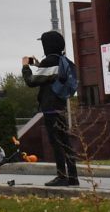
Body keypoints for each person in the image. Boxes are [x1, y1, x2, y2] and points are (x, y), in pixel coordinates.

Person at [24, 31, 81, 187]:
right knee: (66, 142)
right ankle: (73, 177)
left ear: (47, 45)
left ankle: (61, 176)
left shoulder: (48, 61)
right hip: (60, 106)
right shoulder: (62, 60)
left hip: (50, 107)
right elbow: (51, 76)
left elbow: (31, 81)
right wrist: (37, 64)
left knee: (56, 143)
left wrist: (25, 67)